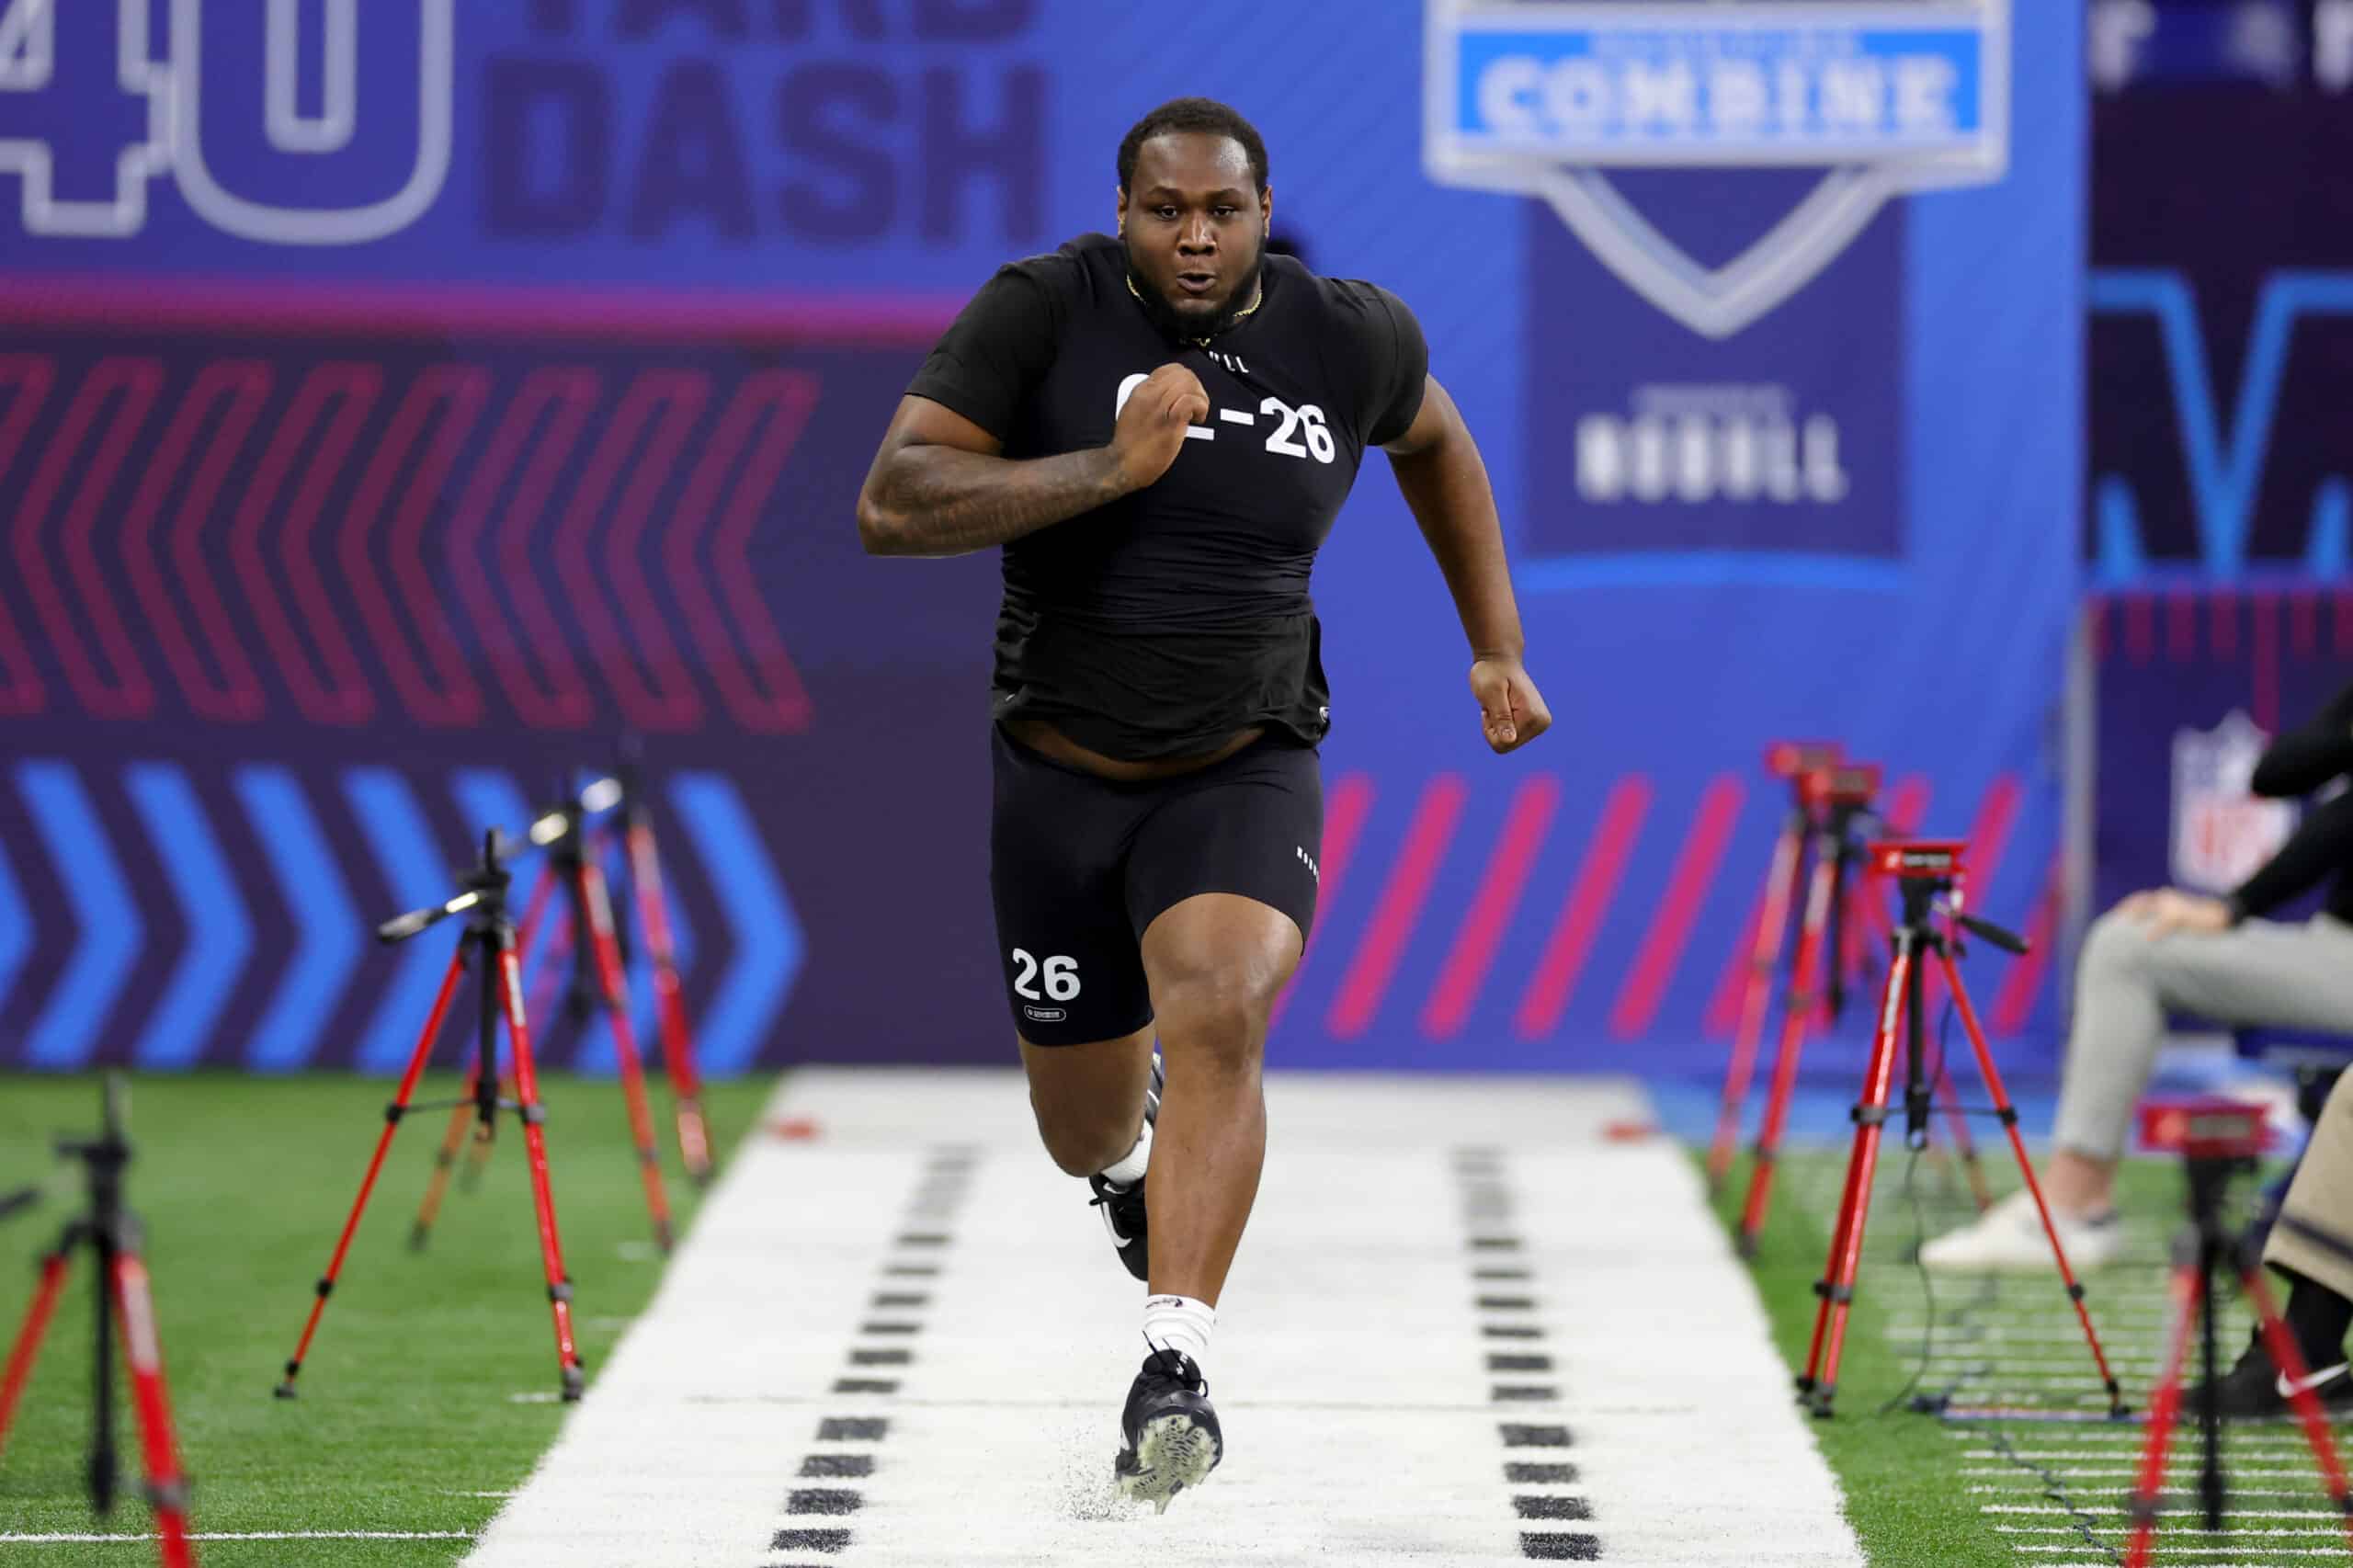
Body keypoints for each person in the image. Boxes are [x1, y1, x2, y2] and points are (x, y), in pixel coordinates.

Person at [854, 97, 1550, 1512]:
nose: (1192, 235)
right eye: (1165, 210)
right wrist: (1111, 469)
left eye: (1219, 211)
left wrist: (1495, 644)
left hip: (1244, 759)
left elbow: (1440, 448)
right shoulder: (1041, 313)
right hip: (1056, 771)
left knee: (1220, 998)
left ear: (1260, 208)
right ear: (1124, 213)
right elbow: (894, 500)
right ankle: (1130, 1168)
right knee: (1080, 1125)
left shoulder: (1346, 333)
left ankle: (1175, 1365)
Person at [1923, 681, 2353, 1271]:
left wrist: (2235, 907)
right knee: (2127, 945)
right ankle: (2077, 1204)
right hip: (2332, 942)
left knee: (2129, 951)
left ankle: (2073, 1208)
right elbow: (2276, 774)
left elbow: (2343, 818)